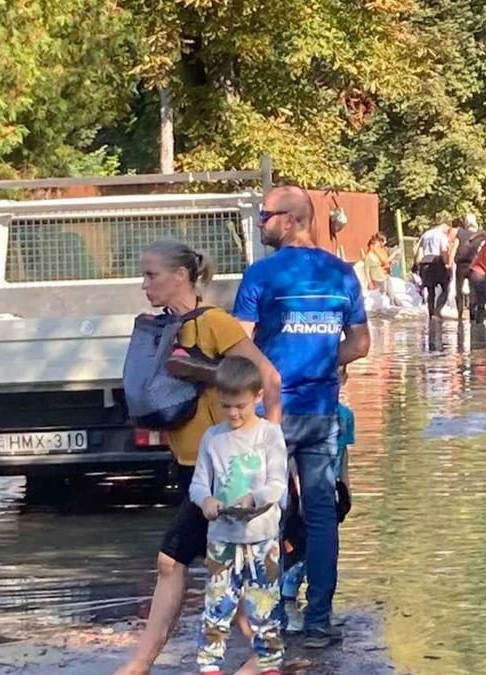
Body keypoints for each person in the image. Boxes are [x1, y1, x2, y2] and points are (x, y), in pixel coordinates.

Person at [116, 241, 281, 675]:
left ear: (181, 277)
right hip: (188, 465)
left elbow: (268, 375)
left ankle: (140, 663)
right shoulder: (169, 328)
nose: (144, 284)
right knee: (226, 563)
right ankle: (266, 658)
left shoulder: (214, 323)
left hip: (222, 471)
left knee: (171, 561)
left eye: (152, 275)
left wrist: (271, 438)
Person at [233, 185, 371, 648]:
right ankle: (318, 622)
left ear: (292, 219)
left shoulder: (261, 275)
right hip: (321, 411)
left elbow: (240, 347)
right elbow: (361, 344)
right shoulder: (342, 275)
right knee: (321, 515)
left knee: (266, 514)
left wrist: (273, 371)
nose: (259, 222)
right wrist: (320, 360)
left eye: (266, 215)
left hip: (271, 414)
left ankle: (267, 620)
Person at [189, 356, 288, 675]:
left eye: (240, 406)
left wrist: (255, 498)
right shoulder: (212, 439)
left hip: (262, 539)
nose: (233, 413)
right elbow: (198, 483)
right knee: (217, 607)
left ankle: (269, 665)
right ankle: (209, 665)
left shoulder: (269, 435)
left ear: (258, 397)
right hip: (221, 539)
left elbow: (277, 483)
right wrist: (205, 500)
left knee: (265, 607)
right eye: (226, 406)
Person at [280, 368, 354, 634]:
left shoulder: (345, 416)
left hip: (328, 486)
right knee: (296, 545)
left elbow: (343, 452)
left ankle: (319, 608)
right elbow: (292, 460)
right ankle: (289, 601)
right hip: (302, 487)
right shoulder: (308, 412)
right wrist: (298, 492)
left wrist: (346, 485)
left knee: (318, 542)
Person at [416, 219, 451, 319]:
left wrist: (418, 263)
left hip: (425, 261)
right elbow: (444, 251)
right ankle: (438, 309)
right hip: (437, 262)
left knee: (430, 290)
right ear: (444, 225)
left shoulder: (426, 234)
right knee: (445, 287)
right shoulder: (441, 236)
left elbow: (418, 249)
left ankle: (431, 312)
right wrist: (447, 265)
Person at [452, 214, 482, 318]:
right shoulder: (479, 235)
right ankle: (472, 313)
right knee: (473, 289)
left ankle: (459, 312)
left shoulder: (460, 232)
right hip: (473, 264)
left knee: (459, 289)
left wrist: (450, 262)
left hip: (461, 264)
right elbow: (480, 251)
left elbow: (454, 247)